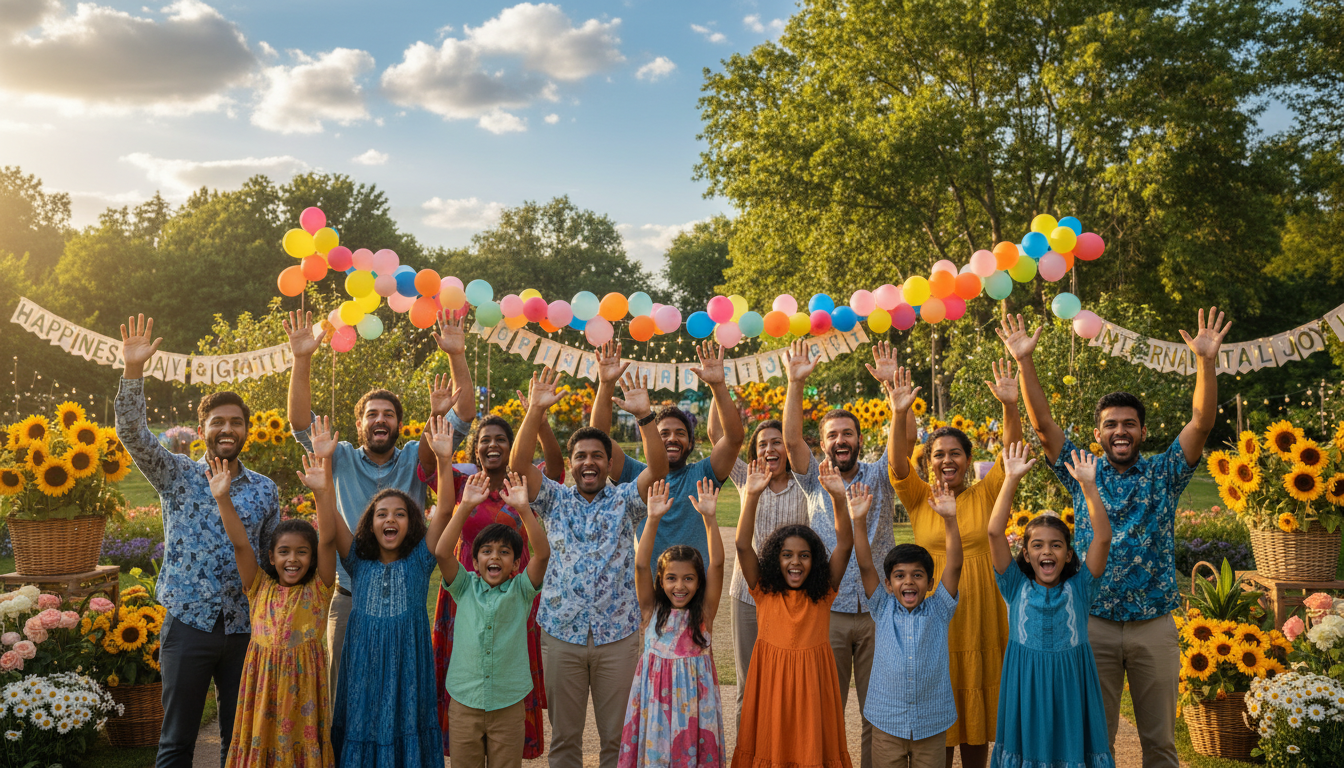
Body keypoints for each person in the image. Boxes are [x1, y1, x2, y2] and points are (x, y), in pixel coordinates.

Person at [1000, 308, 1229, 768]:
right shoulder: (1082, 470)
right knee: (1092, 740)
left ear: (1143, 431)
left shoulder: (1164, 473)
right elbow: (1044, 427)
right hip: (1093, 625)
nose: (1120, 431)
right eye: (1111, 424)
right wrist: (1025, 361)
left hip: (1153, 626)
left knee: (1161, 743)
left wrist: (1205, 362)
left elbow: (1202, 423)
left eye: (1128, 424)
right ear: (1099, 433)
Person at [115, 314, 279, 768]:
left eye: (236, 423)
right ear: (202, 427)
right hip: (188, 623)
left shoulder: (265, 489)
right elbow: (132, 434)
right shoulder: (178, 474)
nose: (228, 430)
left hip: (246, 629)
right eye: (218, 422)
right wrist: (133, 371)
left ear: (247, 430)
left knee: (239, 741)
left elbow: (271, 558)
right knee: (176, 743)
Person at [284, 308, 474, 696]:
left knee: (403, 695)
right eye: (372, 414)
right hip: (351, 598)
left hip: (405, 600)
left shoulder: (413, 459)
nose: (380, 419)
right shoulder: (339, 457)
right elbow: (300, 422)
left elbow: (462, 416)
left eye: (388, 414)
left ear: (400, 425)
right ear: (359, 425)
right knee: (346, 700)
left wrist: (456, 355)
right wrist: (301, 359)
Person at [509, 367, 668, 768]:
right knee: (565, 741)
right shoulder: (554, 499)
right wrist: (534, 410)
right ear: (572, 463)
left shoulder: (626, 500)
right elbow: (520, 463)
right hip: (562, 634)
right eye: (581, 456)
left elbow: (659, 470)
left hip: (618, 635)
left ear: (610, 462)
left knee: (617, 739)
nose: (589, 462)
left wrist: (646, 417)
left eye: (598, 455)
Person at [883, 358, 1021, 768]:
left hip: (980, 611)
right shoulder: (918, 496)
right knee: (935, 703)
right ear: (928, 463)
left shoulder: (987, 492)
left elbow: (1012, 450)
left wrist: (1010, 406)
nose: (947, 460)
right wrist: (899, 412)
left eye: (956, 453)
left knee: (976, 701)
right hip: (931, 617)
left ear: (968, 459)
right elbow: (896, 463)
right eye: (938, 454)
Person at [783, 338, 914, 768]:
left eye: (848, 434)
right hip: (830, 608)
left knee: (877, 711)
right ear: (823, 444)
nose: (841, 441)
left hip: (879, 611)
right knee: (826, 709)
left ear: (859, 439)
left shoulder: (878, 473)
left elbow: (903, 449)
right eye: (833, 435)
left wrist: (896, 397)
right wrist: (795, 383)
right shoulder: (814, 476)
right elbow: (790, 439)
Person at [426, 394, 564, 759]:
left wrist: (540, 420)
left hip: (515, 594)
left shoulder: (525, 486)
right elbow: (427, 471)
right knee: (467, 669)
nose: (492, 445)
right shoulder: (463, 485)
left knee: (505, 662)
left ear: (512, 444)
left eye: (501, 438)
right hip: (464, 592)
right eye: (484, 439)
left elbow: (557, 468)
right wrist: (438, 421)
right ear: (474, 450)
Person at [319, 414, 459, 767]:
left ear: (412, 523)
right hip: (363, 670)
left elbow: (444, 508)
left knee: (405, 724)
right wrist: (323, 464)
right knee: (362, 726)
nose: (390, 520)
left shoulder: (420, 562)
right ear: (370, 522)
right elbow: (331, 516)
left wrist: (444, 459)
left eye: (400, 514)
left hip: (408, 669)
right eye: (382, 514)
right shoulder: (356, 562)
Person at [208, 438, 337, 768]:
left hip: (304, 694)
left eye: (301, 552)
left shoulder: (319, 589)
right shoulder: (258, 586)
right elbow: (240, 545)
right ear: (271, 556)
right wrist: (223, 498)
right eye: (284, 552)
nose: (292, 559)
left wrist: (323, 492)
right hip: (262, 692)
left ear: (311, 558)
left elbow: (328, 539)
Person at [987, 444, 1114, 768]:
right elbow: (993, 531)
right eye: (1038, 545)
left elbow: (1102, 538)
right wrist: (1011, 478)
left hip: (1071, 689)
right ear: (1027, 555)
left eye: (1057, 545)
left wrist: (1088, 486)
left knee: (1069, 750)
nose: (1048, 551)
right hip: (1025, 686)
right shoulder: (1015, 587)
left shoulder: (1081, 588)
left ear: (1069, 555)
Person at [733, 458, 856, 768]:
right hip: (771, 684)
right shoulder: (763, 590)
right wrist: (751, 496)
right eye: (787, 555)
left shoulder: (823, 593)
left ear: (814, 561)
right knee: (772, 744)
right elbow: (742, 545)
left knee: (809, 744)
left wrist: (839, 498)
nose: (795, 562)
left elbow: (844, 544)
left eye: (804, 556)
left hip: (812, 685)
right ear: (776, 559)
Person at [435, 468, 550, 768]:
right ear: (474, 562)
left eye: (504, 552)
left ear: (514, 564)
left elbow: (542, 555)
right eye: (486, 551)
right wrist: (466, 508)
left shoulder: (522, 590)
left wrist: (524, 510)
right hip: (464, 703)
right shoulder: (464, 586)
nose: (494, 557)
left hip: (508, 705)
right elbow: (442, 552)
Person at [592, 339, 743, 565]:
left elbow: (733, 439)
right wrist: (605, 384)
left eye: (680, 433)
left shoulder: (704, 473)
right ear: (651, 438)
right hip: (648, 592)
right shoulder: (636, 474)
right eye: (664, 434)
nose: (672, 438)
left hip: (694, 593)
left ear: (691, 443)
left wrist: (718, 385)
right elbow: (598, 440)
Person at [853, 466, 962, 768]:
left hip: (931, 725)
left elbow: (954, 566)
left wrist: (950, 519)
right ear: (888, 585)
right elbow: (865, 565)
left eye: (918, 575)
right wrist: (859, 520)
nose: (909, 582)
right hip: (887, 723)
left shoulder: (939, 609)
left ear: (929, 582)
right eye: (899, 576)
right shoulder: (882, 607)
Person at [709, 412, 809, 725]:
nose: (769, 449)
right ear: (755, 453)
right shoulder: (747, 477)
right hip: (747, 595)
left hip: (793, 599)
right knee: (748, 682)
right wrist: (717, 383)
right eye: (762, 444)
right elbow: (717, 434)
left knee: (790, 683)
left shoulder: (806, 482)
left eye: (776, 442)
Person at [618, 477, 726, 768]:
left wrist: (710, 518)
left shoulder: (703, 613)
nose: (680, 586)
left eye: (688, 578)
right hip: (657, 708)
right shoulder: (651, 610)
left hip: (696, 707)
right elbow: (641, 564)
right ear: (661, 581)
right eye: (672, 578)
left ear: (698, 582)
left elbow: (717, 564)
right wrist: (651, 519)